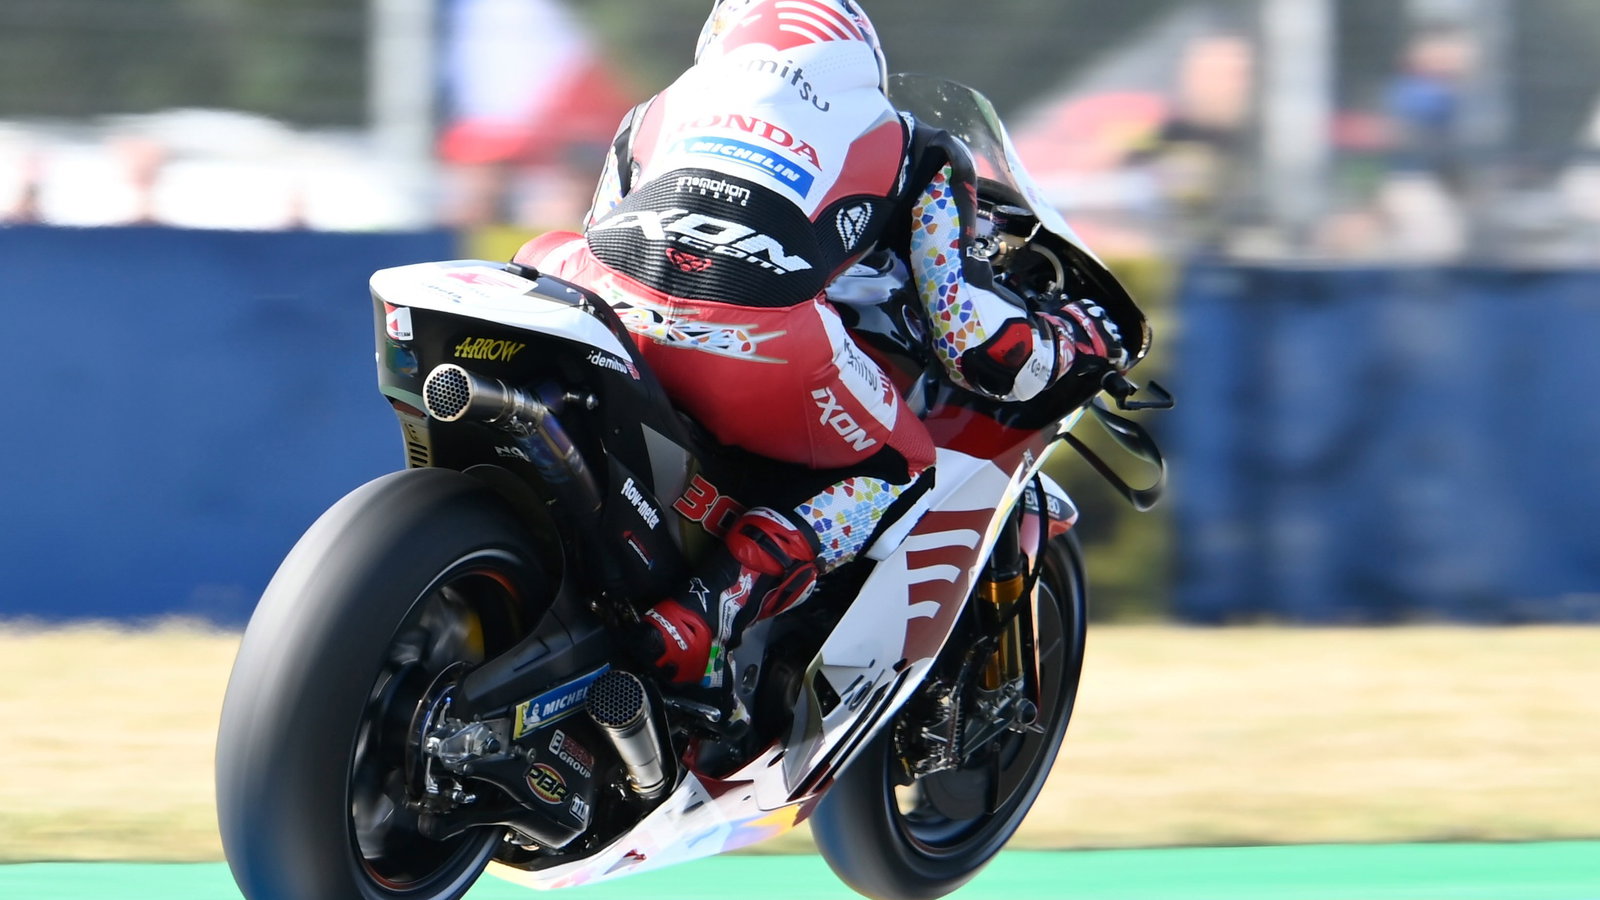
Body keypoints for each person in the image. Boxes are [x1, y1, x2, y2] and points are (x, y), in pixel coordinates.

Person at [513, 0, 1127, 727]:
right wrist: (1083, 336)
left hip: (603, 296)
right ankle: (710, 613)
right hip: (751, 338)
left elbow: (606, 225)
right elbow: (972, 344)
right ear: (861, 58)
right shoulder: (915, 147)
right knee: (901, 467)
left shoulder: (654, 110)